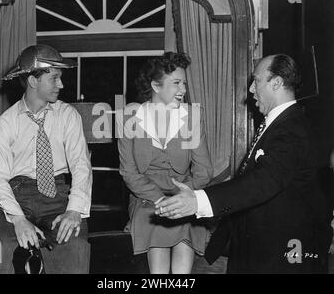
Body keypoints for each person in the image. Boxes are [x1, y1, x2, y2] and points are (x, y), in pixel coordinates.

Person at [155, 54, 332, 273]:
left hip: (279, 257)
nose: (250, 89)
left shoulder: (292, 129)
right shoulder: (280, 124)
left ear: (276, 83)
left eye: (256, 80)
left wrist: (198, 201)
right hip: (259, 251)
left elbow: (263, 180)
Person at [0, 44, 92, 274]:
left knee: (76, 245)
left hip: (58, 196)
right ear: (33, 81)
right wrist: (18, 220)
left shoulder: (68, 116)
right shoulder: (4, 125)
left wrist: (74, 210)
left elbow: (81, 165)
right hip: (15, 197)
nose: (61, 85)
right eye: (54, 79)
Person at [117, 52, 213, 274]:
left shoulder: (192, 117)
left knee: (184, 231)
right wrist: (160, 200)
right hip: (147, 199)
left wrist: (185, 196)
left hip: (185, 195)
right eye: (176, 83)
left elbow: (204, 170)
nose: (183, 90)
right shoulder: (129, 118)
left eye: (184, 83)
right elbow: (129, 173)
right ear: (156, 86)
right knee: (158, 266)